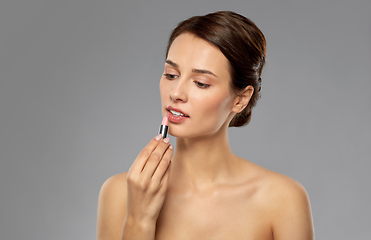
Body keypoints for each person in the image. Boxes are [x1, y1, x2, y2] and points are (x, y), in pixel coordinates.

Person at [97, 11, 314, 240]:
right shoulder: (120, 194)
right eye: (171, 75)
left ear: (240, 99)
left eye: (201, 83)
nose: (176, 93)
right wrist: (139, 220)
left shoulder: (283, 200)